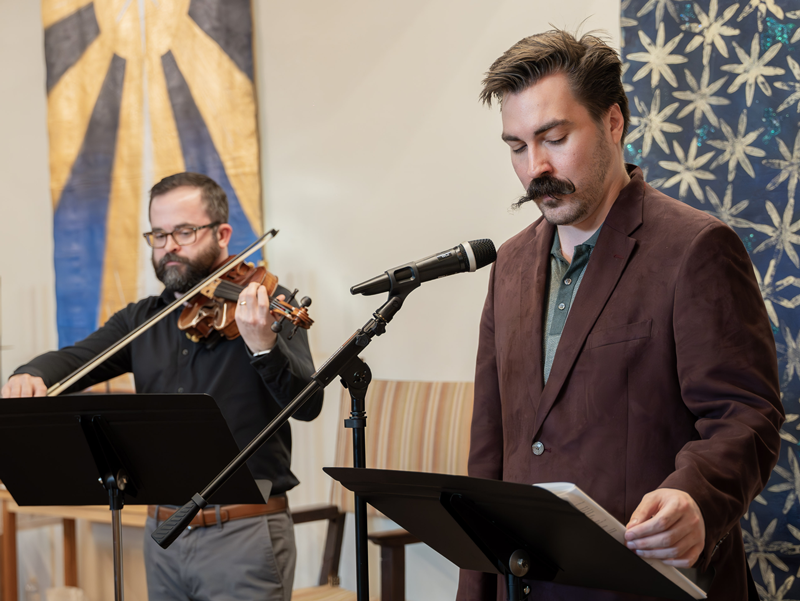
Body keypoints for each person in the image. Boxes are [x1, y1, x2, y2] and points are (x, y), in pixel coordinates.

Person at [456, 30, 784, 601]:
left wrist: (697, 498)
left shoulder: (697, 247)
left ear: (613, 122)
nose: (535, 167)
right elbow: (491, 448)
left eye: (554, 138)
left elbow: (745, 415)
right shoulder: (507, 264)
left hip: (653, 584)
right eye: (516, 146)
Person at [2, 172, 323, 601]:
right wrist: (30, 374)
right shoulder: (143, 319)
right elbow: (74, 359)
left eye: (184, 232)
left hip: (243, 533)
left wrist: (264, 346)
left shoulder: (261, 305)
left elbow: (308, 405)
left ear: (223, 234)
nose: (169, 245)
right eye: (158, 234)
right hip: (164, 534)